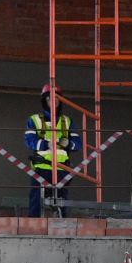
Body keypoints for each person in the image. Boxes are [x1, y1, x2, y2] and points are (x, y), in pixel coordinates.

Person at [24, 87, 81, 217]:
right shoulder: (34, 119)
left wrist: (68, 144)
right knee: (36, 201)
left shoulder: (67, 121)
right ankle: (34, 227)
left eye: (57, 98)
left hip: (61, 168)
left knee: (61, 202)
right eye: (50, 98)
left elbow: (78, 144)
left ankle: (61, 228)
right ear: (45, 100)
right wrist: (46, 144)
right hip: (41, 168)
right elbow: (29, 141)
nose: (54, 101)